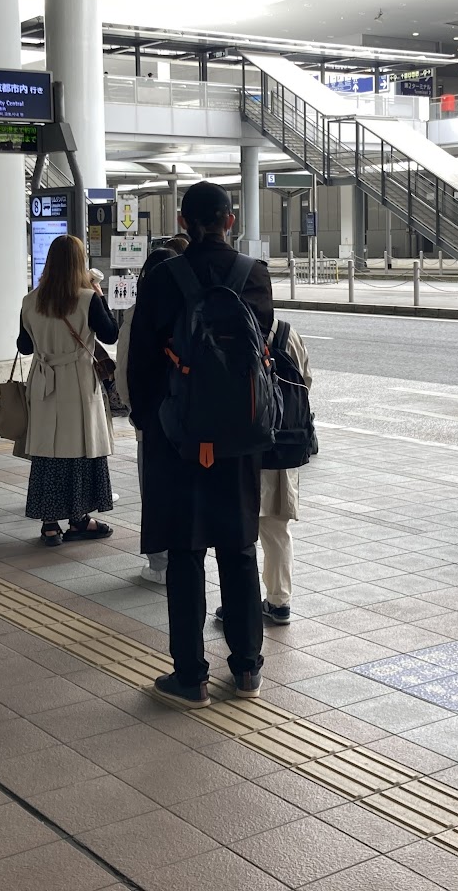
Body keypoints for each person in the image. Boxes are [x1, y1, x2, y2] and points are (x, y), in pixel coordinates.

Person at [127, 182, 271, 709]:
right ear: (229, 221)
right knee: (239, 550)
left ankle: (190, 677)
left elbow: (140, 362)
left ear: (185, 223)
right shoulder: (253, 276)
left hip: (178, 439)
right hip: (238, 440)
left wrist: (151, 424)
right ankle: (248, 668)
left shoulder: (164, 277)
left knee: (185, 554)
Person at [18, 234, 116, 547]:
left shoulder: (30, 301)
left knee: (47, 450)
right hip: (77, 380)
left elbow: (23, 346)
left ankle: (49, 525)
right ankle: (79, 519)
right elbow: (111, 335)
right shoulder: (88, 299)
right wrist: (99, 293)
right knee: (80, 449)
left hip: (44, 380)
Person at [216, 321, 312, 626]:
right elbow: (306, 380)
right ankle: (279, 601)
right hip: (283, 445)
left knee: (239, 531)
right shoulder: (286, 332)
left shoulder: (228, 327)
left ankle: (238, 605)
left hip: (242, 446)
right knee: (277, 528)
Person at [116, 243, 181, 584]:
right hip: (189, 421)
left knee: (154, 494)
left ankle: (160, 566)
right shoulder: (192, 308)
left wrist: (134, 413)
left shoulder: (138, 313)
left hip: (152, 423)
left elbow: (124, 371)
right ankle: (186, 557)